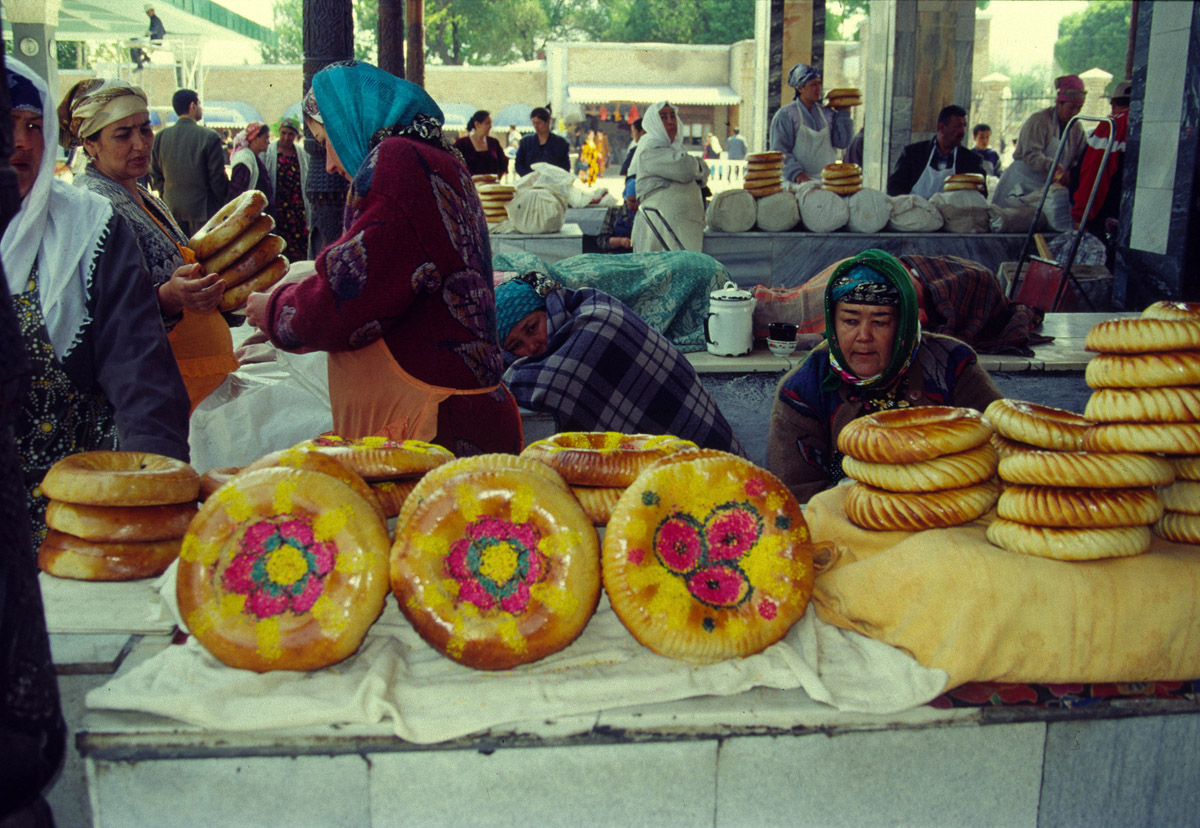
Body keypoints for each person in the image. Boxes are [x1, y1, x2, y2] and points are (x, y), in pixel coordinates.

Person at [245, 61, 521, 457]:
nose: (330, 164)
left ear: (350, 121)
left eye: (327, 141)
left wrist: (273, 309)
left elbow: (348, 294)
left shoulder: (397, 161)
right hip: (456, 414)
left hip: (434, 427)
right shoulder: (436, 157)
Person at [3, 59, 190, 546]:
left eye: (33, 125)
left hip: (82, 520)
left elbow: (142, 375)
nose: (21, 141)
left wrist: (153, 500)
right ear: (88, 144)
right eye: (6, 123)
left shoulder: (88, 228)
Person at [766, 249, 1002, 503]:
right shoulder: (802, 389)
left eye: (880, 322)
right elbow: (795, 497)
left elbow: (999, 450)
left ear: (903, 324)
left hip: (946, 517)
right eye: (850, 321)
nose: (864, 336)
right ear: (832, 324)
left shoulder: (952, 366)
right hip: (842, 530)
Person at [60, 76, 237, 412]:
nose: (141, 145)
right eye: (122, 134)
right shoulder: (91, 204)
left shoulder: (140, 193)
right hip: (156, 387)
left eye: (144, 129)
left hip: (195, 379)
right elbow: (97, 310)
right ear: (90, 144)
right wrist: (167, 297)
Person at [495, 274, 743, 454]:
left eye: (532, 328)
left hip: (700, 440)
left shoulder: (599, 319)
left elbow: (556, 385)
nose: (531, 346)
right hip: (665, 464)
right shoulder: (544, 360)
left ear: (547, 309)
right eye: (516, 346)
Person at [991, 75, 1088, 206]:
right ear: (1059, 103)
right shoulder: (1040, 121)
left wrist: (1072, 173)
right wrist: (1052, 167)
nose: (1075, 112)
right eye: (1071, 107)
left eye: (1079, 108)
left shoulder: (1077, 128)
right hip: (1021, 184)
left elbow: (1082, 157)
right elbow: (1031, 154)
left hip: (1047, 188)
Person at [630, 101, 708, 252]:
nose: (671, 121)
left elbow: (696, 168)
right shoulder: (650, 147)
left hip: (676, 225)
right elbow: (683, 169)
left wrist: (695, 166)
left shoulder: (674, 148)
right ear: (654, 122)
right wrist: (696, 165)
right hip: (661, 225)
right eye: (663, 117)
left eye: (672, 116)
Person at [150, 88, 229, 236]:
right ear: (192, 106)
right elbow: (217, 179)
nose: (201, 109)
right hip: (203, 212)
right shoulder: (209, 137)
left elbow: (154, 173)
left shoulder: (160, 137)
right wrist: (219, 205)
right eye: (200, 104)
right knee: (203, 256)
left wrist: (166, 195)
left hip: (171, 210)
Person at [769, 62, 854, 184]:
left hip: (827, 182)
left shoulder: (827, 114)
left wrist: (844, 114)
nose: (818, 88)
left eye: (819, 83)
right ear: (800, 88)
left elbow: (843, 142)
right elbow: (779, 152)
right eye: (813, 84)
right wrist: (798, 175)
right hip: (797, 184)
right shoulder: (786, 116)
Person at [1071, 79, 1130, 241]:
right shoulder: (1154, 123)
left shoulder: (1112, 125)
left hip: (1107, 215)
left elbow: (1094, 172)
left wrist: (1081, 215)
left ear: (1113, 103)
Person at [886, 104, 986, 198]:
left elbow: (981, 195)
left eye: (964, 126)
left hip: (952, 215)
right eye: (957, 126)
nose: (962, 132)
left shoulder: (972, 160)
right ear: (942, 127)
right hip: (915, 212)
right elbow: (894, 188)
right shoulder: (913, 153)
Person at [263, 115, 310, 261]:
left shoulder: (301, 153)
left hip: (296, 206)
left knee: (298, 240)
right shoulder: (269, 151)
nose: (286, 137)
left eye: (291, 134)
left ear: (295, 135)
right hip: (279, 204)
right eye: (283, 133)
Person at [228, 121, 276, 214]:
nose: (268, 142)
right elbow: (237, 194)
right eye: (265, 138)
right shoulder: (244, 160)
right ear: (255, 138)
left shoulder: (253, 158)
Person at [514, 105, 571, 176]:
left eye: (538, 123)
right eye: (533, 123)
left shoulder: (561, 143)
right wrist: (530, 177)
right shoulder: (526, 142)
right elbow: (519, 164)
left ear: (548, 122)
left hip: (552, 183)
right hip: (529, 182)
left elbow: (565, 168)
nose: (535, 126)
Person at [452, 109, 509, 177]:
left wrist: (497, 180)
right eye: (487, 123)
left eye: (491, 123)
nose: (490, 126)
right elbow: (453, 165)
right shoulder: (462, 144)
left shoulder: (494, 142)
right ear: (477, 124)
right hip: (470, 186)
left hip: (492, 185)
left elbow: (503, 163)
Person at [595, 176, 637, 253]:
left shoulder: (647, 215)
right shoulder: (614, 212)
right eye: (632, 201)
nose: (636, 205)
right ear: (625, 198)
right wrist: (620, 242)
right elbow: (602, 241)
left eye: (639, 201)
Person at [130, 3, 165, 71]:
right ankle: (144, 58)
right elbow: (163, 31)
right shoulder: (154, 19)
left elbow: (156, 29)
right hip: (156, 41)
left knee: (134, 46)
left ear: (153, 11)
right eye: (147, 12)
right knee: (137, 45)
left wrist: (151, 33)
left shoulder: (155, 20)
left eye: (149, 12)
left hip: (155, 41)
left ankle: (140, 65)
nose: (148, 14)